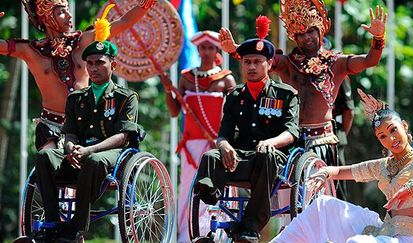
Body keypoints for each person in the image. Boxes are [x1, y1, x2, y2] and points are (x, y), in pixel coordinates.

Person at [219, 1, 387, 168]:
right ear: (294, 37)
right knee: (282, 192)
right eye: (300, 34)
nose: (306, 37)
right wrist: (234, 49)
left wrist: (378, 38)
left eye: (310, 31)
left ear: (320, 29)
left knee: (321, 192)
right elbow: (258, 58)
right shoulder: (288, 63)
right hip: (287, 140)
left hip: (322, 142)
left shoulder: (337, 62)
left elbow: (369, 60)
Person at [271, 89, 413, 243]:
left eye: (393, 130)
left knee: (357, 241)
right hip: (386, 231)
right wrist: (326, 172)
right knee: (324, 205)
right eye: (382, 136)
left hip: (411, 238)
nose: (390, 138)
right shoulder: (383, 166)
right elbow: (344, 171)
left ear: (404, 126)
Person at [193, 16, 300, 243]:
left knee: (265, 154)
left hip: (272, 160)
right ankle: (211, 214)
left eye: (257, 62)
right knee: (211, 156)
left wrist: (270, 143)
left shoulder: (286, 94)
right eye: (247, 61)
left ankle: (250, 227)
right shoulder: (235, 95)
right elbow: (224, 133)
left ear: (269, 65)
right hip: (240, 158)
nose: (251, 66)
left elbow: (291, 132)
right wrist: (223, 146)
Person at [0, 0, 155, 150]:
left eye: (67, 10)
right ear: (46, 17)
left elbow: (124, 22)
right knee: (49, 163)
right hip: (50, 126)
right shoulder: (31, 50)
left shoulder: (83, 41)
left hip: (85, 124)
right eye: (61, 12)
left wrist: (146, 3)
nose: (69, 15)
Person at [32, 39, 139, 242]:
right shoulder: (76, 98)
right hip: (78, 152)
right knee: (44, 156)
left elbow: (123, 136)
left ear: (112, 65)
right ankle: (53, 224)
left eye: (99, 62)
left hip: (111, 154)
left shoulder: (126, 97)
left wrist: (89, 151)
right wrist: (71, 149)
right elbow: (69, 132)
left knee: (94, 160)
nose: (93, 67)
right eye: (89, 63)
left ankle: (76, 227)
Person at [163, 30, 236, 242]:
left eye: (210, 48)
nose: (206, 52)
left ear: (217, 50)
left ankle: (222, 235)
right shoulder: (187, 78)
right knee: (188, 187)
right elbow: (174, 112)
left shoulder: (227, 79)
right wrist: (169, 91)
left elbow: (235, 113)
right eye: (202, 47)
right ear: (197, 49)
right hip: (192, 146)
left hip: (219, 144)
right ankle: (187, 236)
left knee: (221, 186)